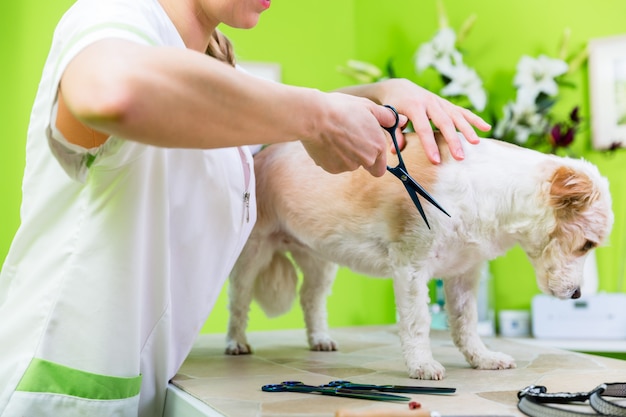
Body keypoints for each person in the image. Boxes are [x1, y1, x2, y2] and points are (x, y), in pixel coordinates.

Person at [0, 0, 491, 416]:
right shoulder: (113, 14)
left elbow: (265, 129)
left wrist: (380, 94)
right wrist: (317, 115)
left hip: (127, 387)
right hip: (54, 389)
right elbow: (113, 90)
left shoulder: (206, 66)